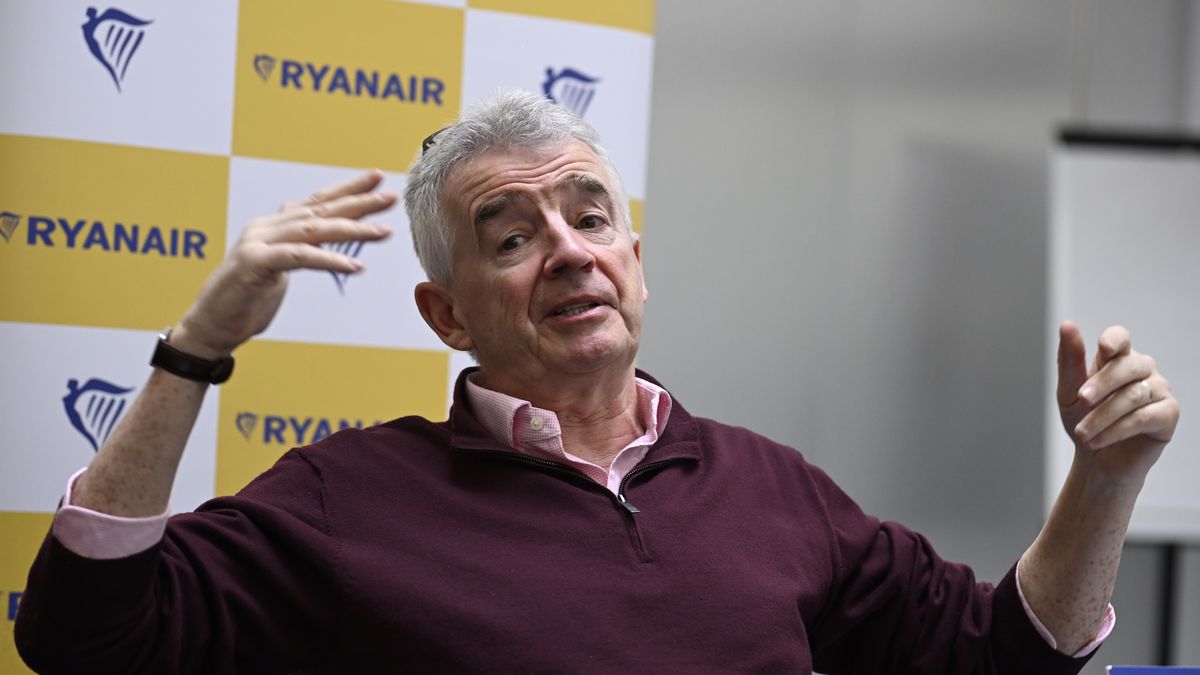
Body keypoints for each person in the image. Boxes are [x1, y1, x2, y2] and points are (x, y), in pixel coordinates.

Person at [15, 90, 1180, 674]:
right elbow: (83, 636)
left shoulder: (772, 488)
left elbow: (1007, 657)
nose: (569, 248)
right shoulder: (344, 495)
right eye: (512, 234)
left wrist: (1106, 479)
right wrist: (195, 350)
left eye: (590, 217)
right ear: (448, 314)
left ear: (634, 260)